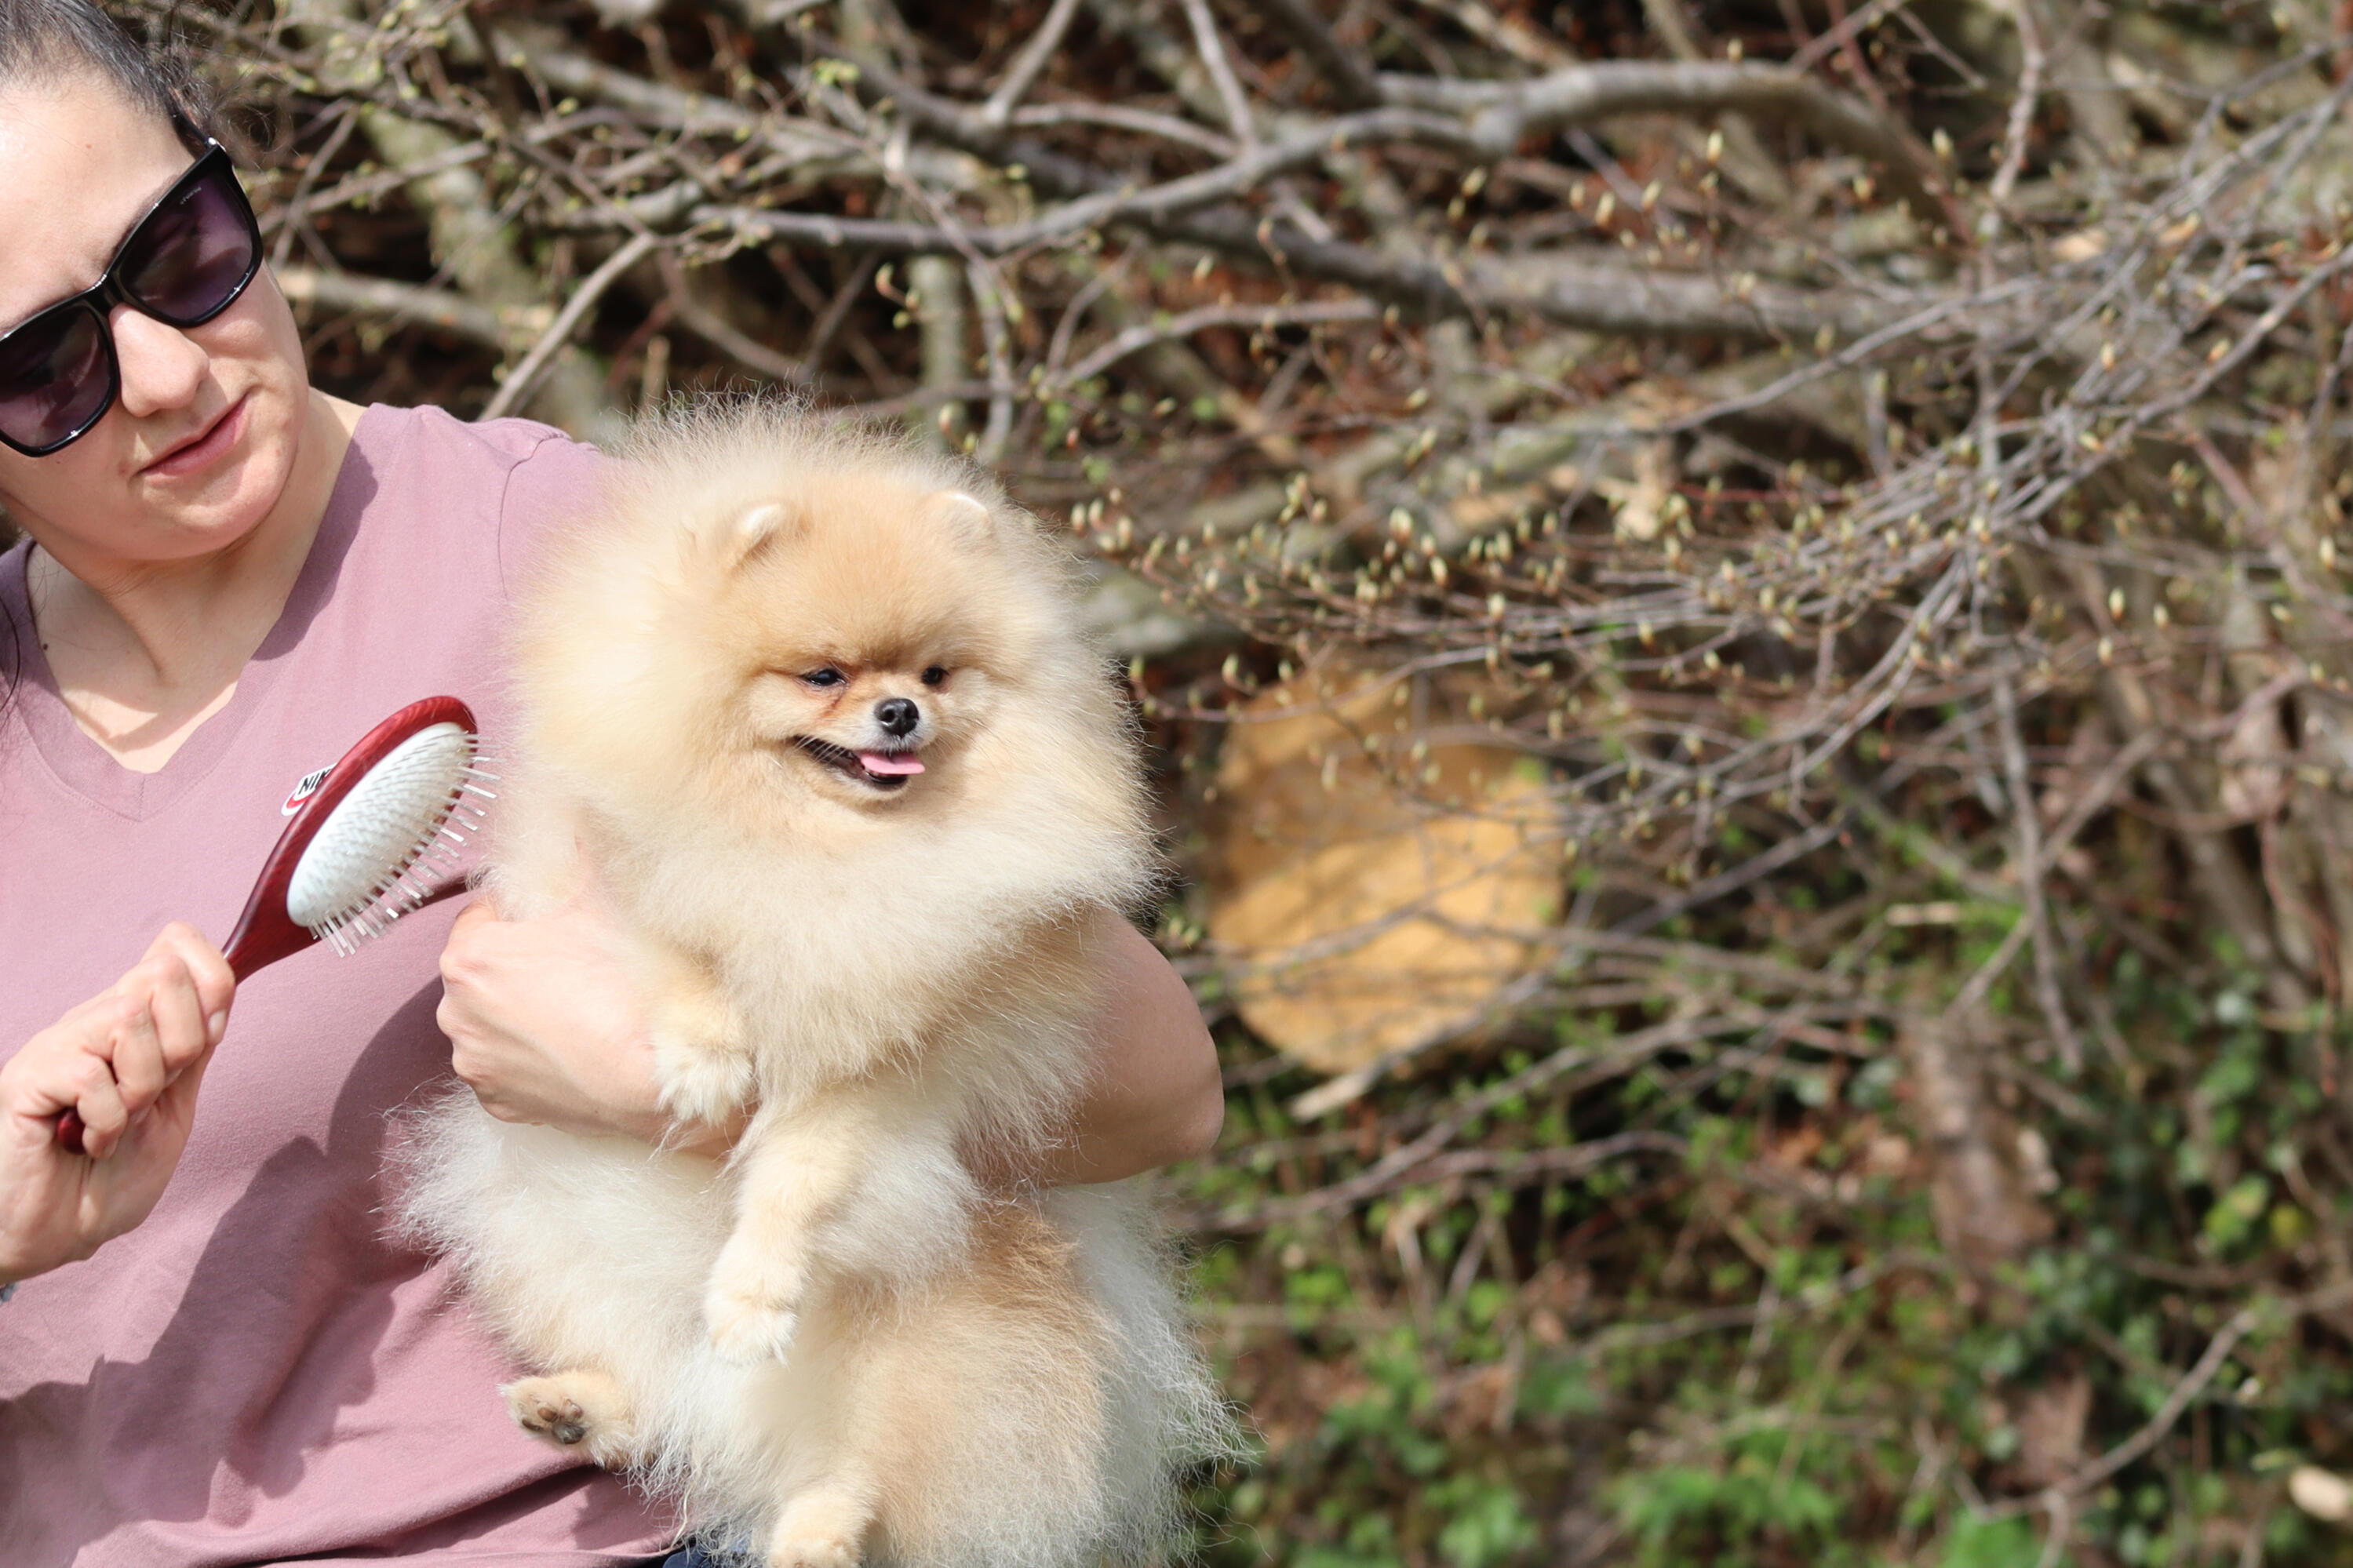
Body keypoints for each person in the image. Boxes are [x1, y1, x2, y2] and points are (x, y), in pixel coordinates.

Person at [0, 4, 1224, 1563]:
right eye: (49, 365)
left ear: (231, 176)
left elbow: (1156, 1082)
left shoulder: (599, 570)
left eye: (182, 252)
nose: (171, 372)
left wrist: (671, 1074)